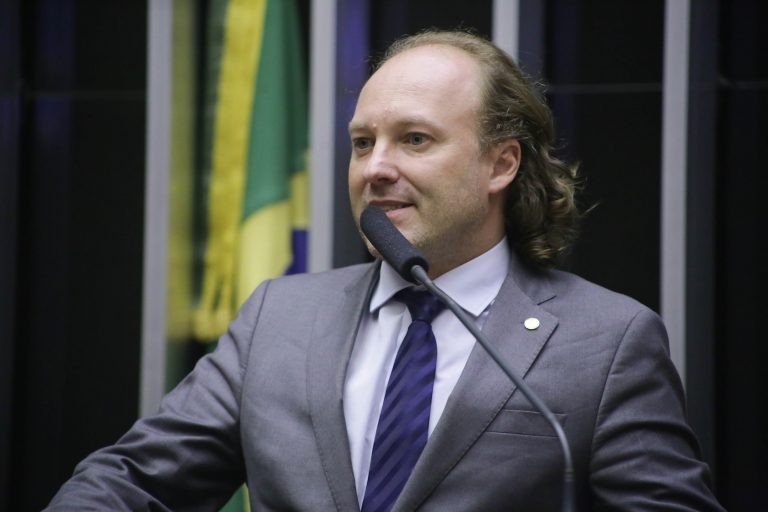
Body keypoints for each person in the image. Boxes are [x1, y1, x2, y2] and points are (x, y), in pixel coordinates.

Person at [47, 30, 723, 511]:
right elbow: (133, 480)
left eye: (415, 139)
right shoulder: (280, 318)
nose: (375, 168)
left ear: (501, 164)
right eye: (362, 143)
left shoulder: (606, 342)